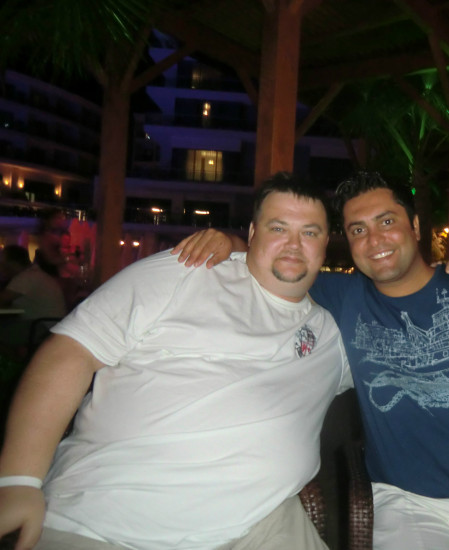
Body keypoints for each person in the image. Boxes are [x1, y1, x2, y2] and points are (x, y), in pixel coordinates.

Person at [174, 171, 449, 550]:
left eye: (387, 221)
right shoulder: (342, 296)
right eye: (359, 229)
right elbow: (276, 263)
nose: (375, 239)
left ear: (416, 227)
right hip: (409, 506)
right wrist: (232, 244)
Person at [0, 173, 350, 550]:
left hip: (254, 528)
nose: (293, 244)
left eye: (310, 232)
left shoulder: (332, 335)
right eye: (278, 228)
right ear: (252, 233)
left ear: (325, 243)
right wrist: (18, 481)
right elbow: (71, 351)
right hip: (99, 524)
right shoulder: (188, 270)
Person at [0, 245, 66, 362]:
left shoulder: (26, 277)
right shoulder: (34, 274)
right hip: (50, 325)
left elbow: (2, 299)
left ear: (12, 263)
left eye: (2, 263)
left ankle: (16, 365)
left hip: (42, 327)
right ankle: (18, 363)